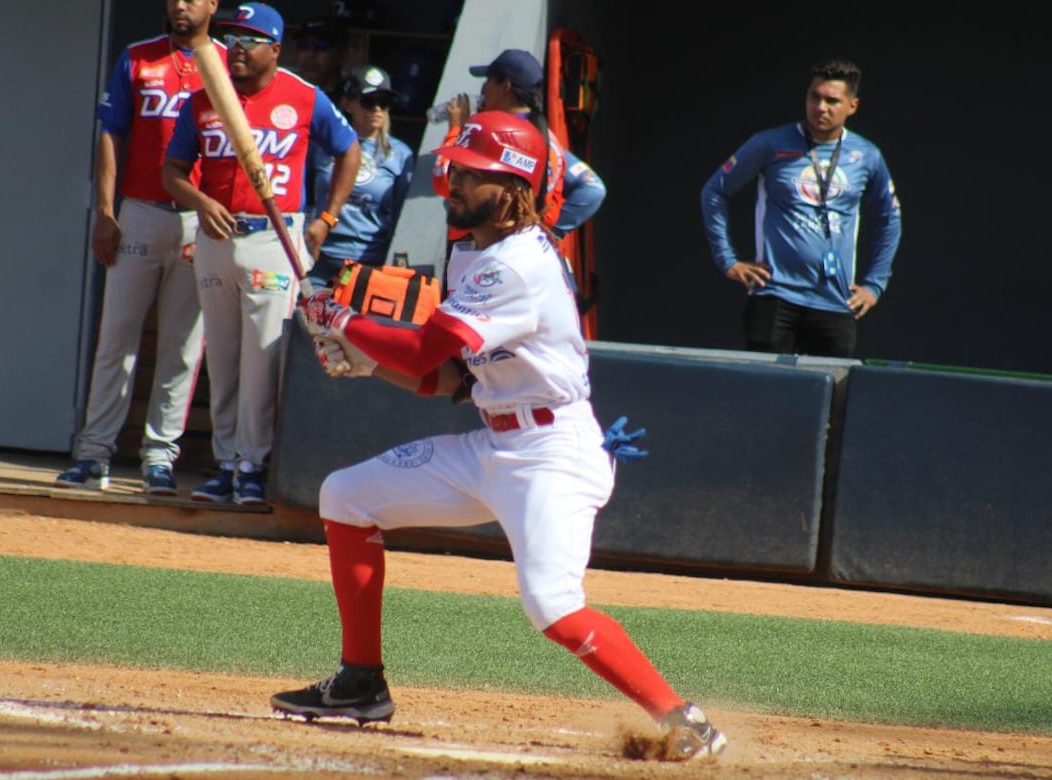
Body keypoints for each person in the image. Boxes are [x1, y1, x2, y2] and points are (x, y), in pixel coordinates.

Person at [272, 111, 727, 762]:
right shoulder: (472, 250)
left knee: (553, 605)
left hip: (552, 455)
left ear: (511, 187)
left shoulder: (514, 264)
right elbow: (454, 379)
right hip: (495, 442)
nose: (451, 181)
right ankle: (360, 682)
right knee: (345, 496)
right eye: (454, 169)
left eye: (470, 173)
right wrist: (371, 363)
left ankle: (686, 722)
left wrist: (342, 318)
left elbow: (428, 348)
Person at [162, 2, 361, 505]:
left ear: (275, 48)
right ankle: (226, 463)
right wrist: (201, 201)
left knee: (263, 358)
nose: (236, 49)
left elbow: (349, 148)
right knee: (223, 358)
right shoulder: (204, 99)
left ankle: (254, 462)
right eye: (231, 39)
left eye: (249, 40)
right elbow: (173, 172)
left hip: (273, 235)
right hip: (216, 235)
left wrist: (327, 218)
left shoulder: (305, 96)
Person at [54, 0, 218, 496]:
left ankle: (159, 459)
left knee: (183, 349)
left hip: (201, 218)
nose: (180, 4)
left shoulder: (227, 62)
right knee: (116, 339)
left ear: (213, 4)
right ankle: (93, 454)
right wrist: (105, 211)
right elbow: (111, 134)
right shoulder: (139, 56)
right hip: (140, 210)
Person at [699, 57, 902, 358]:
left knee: (832, 399)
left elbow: (890, 218)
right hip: (775, 295)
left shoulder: (866, 155)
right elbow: (714, 191)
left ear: (852, 106)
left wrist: (874, 285)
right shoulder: (770, 143)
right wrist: (728, 260)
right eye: (814, 97)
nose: (821, 107)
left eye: (832, 100)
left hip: (835, 300)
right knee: (767, 396)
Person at [431, 49, 606, 247]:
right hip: (521, 243)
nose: (484, 89)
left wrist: (456, 130)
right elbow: (593, 187)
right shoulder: (548, 139)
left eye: (488, 81)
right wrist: (548, 233)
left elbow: (443, 180)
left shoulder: (501, 136)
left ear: (505, 86)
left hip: (491, 247)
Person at [306, 64, 414, 289]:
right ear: (347, 104)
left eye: (384, 103)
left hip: (370, 263)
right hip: (318, 257)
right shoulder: (321, 146)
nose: (377, 109)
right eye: (368, 101)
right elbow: (304, 197)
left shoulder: (401, 155)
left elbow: (402, 215)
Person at [292, 14, 348, 95]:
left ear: (342, 55)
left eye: (321, 46)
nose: (310, 54)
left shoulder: (356, 102)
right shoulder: (285, 97)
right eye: (303, 45)